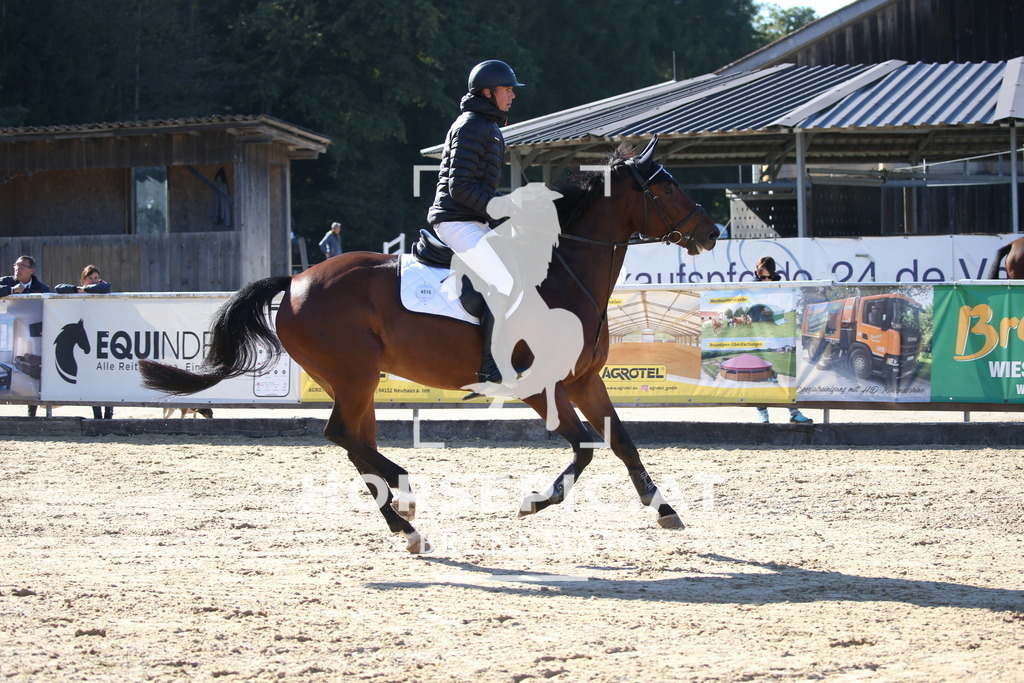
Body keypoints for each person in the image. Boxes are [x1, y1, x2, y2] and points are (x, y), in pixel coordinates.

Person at [427, 59, 524, 395]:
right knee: (503, 280)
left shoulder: (486, 125)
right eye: (507, 89)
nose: (512, 95)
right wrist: (506, 207)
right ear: (488, 92)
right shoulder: (472, 126)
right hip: (456, 220)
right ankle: (489, 365)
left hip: (472, 218)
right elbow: (460, 188)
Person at [752, 256, 813, 425]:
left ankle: (793, 412)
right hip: (759, 340)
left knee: (786, 378)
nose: (766, 280)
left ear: (773, 273)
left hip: (779, 339)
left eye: (768, 276)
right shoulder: (749, 287)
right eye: (762, 277)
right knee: (761, 378)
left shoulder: (783, 287)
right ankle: (763, 413)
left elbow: (786, 311)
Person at [56, 265, 113, 419]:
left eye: (96, 278)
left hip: (101, 338)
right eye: (90, 278)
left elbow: (106, 288)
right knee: (92, 378)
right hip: (87, 337)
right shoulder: (79, 290)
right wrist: (78, 289)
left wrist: (89, 289)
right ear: (83, 280)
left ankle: (109, 413)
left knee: (106, 376)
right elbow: (59, 288)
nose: (94, 281)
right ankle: (96, 414)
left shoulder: (102, 289)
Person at [1, 256, 50, 416]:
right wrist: (11, 291)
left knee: (35, 368)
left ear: (32, 270)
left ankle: (32, 411)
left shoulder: (41, 287)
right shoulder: (6, 282)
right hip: (8, 328)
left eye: (22, 266)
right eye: (16, 265)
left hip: (33, 333)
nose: (18, 269)